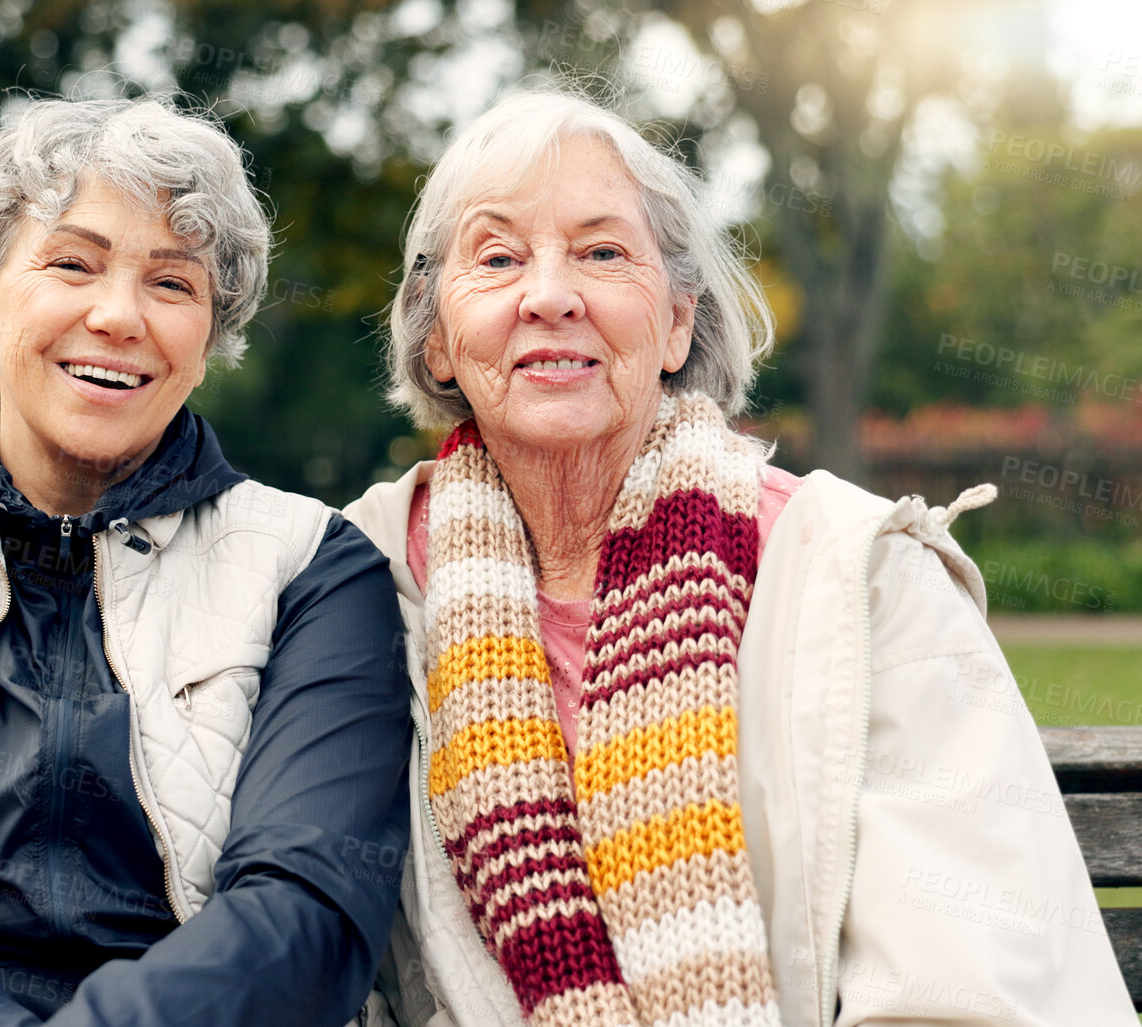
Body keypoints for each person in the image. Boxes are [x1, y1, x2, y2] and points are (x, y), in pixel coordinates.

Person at [336, 90, 1132, 1026]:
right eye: (499, 257)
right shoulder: (357, 583)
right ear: (437, 338)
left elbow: (966, 988)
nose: (549, 294)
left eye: (601, 252)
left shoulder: (868, 582)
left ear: (676, 323)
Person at [0, 96, 413, 1027]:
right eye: (72, 263)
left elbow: (304, 913)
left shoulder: (315, 572)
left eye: (172, 285)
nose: (117, 314)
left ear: (207, 342)